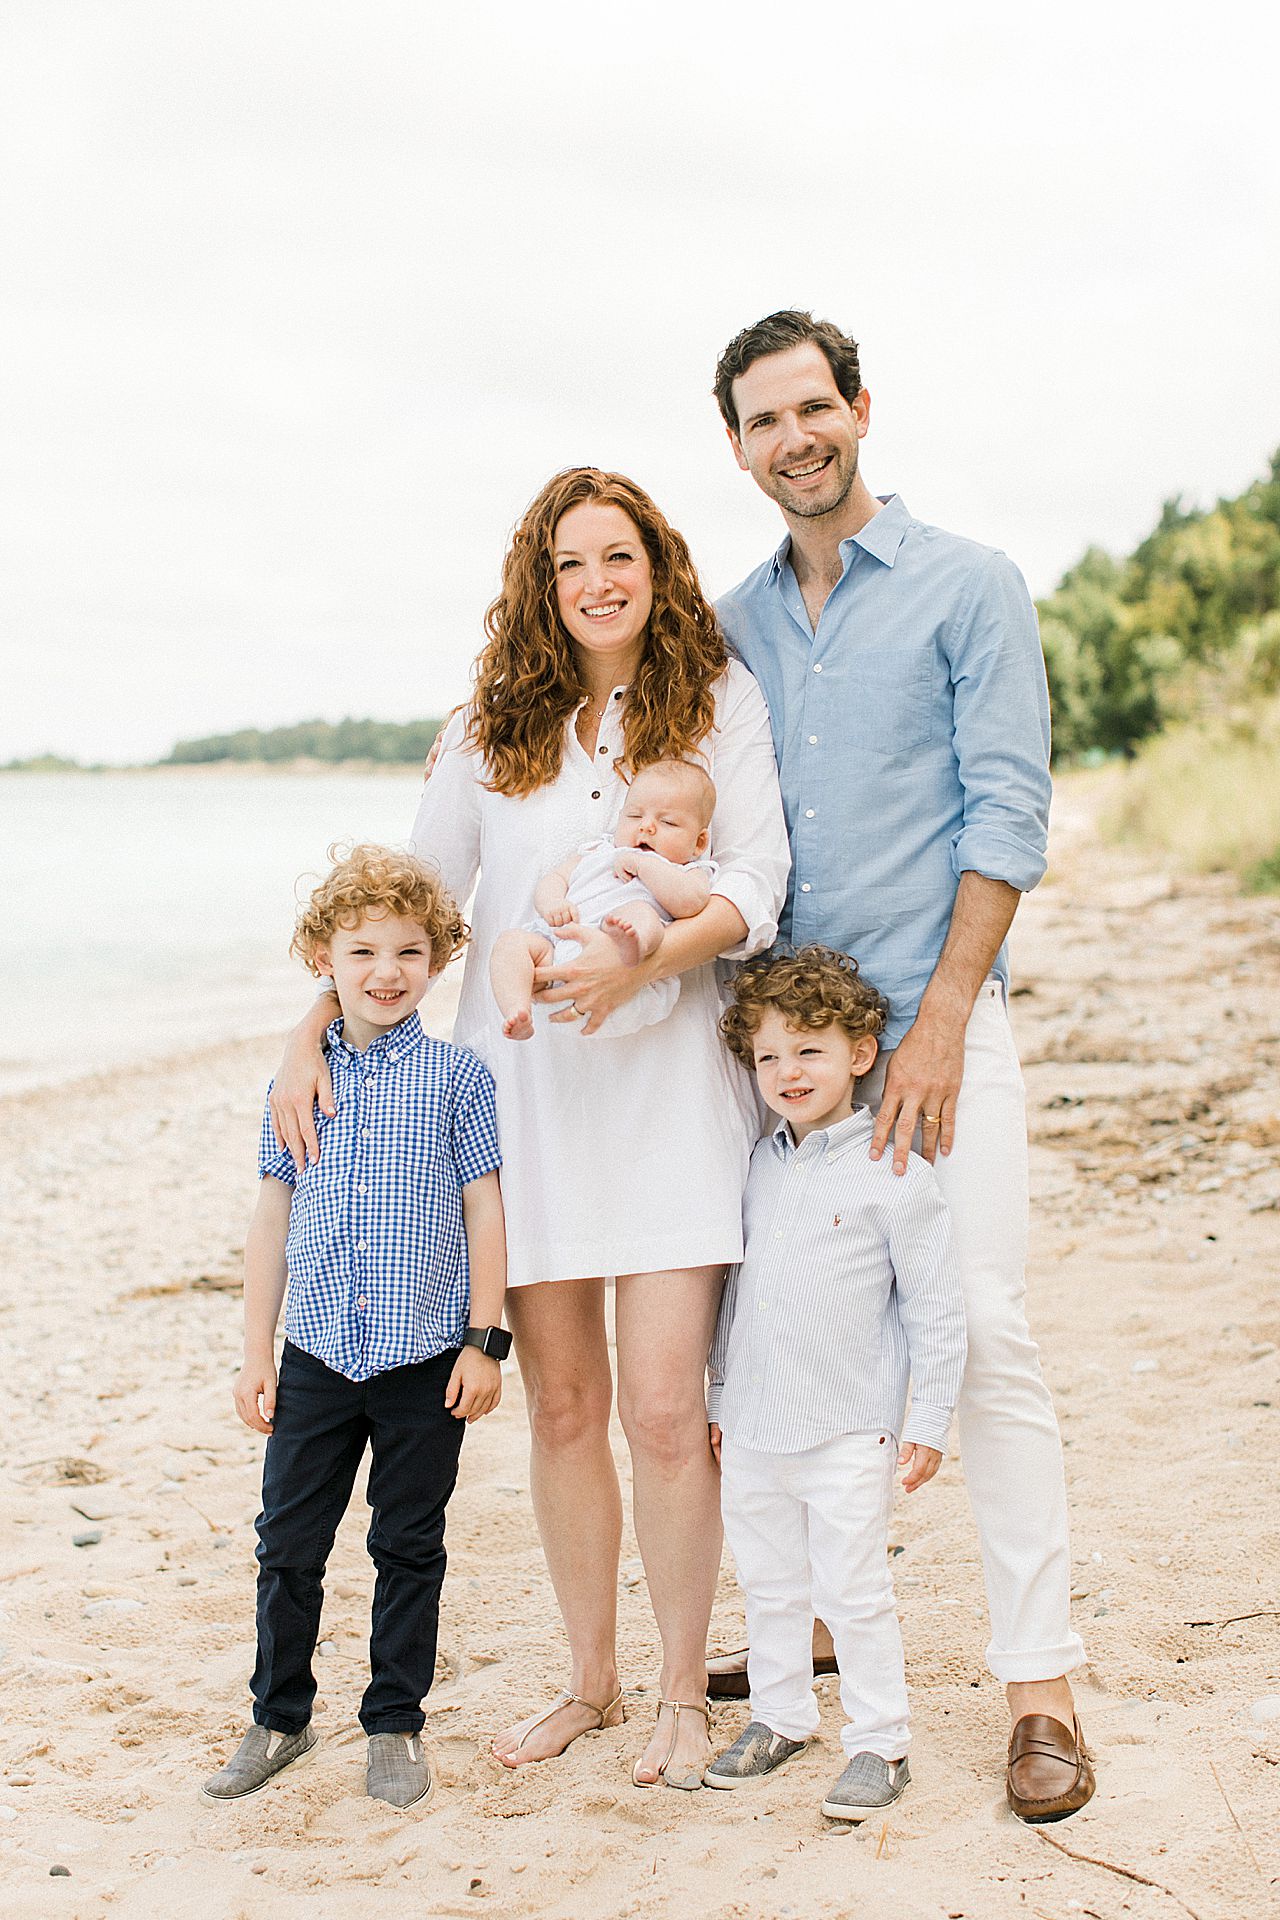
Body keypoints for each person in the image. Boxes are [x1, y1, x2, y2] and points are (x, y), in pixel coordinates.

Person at [268, 471, 790, 1792]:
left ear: (656, 568)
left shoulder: (718, 702)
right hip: (532, 1105)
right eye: (571, 563)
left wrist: (645, 957)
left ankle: (683, 1689)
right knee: (566, 1405)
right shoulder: (486, 730)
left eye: (620, 556)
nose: (598, 582)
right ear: (539, 584)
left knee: (669, 1411)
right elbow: (410, 912)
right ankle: (590, 1681)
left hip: (673, 1092)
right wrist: (302, 1032)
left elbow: (756, 882)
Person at [706, 310, 1096, 1823]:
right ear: (736, 446)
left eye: (815, 407)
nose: (795, 438)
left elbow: (1007, 815)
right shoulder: (731, 621)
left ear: (860, 408)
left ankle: (1040, 1687)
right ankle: (801, 1629)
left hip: (935, 1027)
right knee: (781, 1330)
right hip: (778, 1050)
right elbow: (619, 729)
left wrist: (935, 1021)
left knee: (980, 1328)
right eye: (763, 421)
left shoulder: (969, 585)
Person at [202, 846, 508, 1812]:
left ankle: (395, 1724)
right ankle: (279, 1716)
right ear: (323, 963)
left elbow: (486, 1211)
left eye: (410, 951)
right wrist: (257, 1352)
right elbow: (269, 1219)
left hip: (424, 1359)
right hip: (318, 1355)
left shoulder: (460, 1080)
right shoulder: (295, 1084)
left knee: (409, 1544)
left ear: (439, 960)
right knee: (288, 1543)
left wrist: (485, 1341)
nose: (386, 971)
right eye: (363, 950)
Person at [703, 947, 966, 1822]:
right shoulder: (756, 1162)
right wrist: (716, 1401)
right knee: (771, 1582)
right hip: (753, 1425)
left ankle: (880, 1741)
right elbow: (734, 1298)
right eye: (770, 1055)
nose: (788, 1072)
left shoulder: (895, 1172)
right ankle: (781, 1716)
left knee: (852, 1587)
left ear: (861, 1052)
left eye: (810, 1050)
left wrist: (928, 1417)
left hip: (850, 1427)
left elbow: (935, 1306)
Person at [489, 756, 716, 1041]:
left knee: (641, 912)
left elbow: (691, 902)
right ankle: (517, 1009)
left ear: (699, 842)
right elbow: (554, 880)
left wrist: (642, 864)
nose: (646, 827)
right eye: (634, 816)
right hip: (558, 954)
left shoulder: (688, 870)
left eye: (667, 822)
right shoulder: (597, 850)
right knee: (511, 942)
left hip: (632, 981)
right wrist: (553, 904)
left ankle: (630, 946)